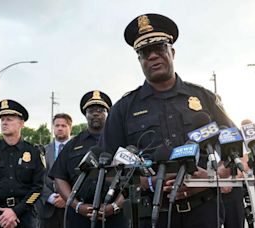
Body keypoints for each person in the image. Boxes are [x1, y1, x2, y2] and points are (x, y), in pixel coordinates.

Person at [99, 13, 235, 228]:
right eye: (145, 52)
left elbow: (235, 148)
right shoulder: (124, 108)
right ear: (139, 60)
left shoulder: (203, 97)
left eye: (159, 48)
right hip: (151, 214)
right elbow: (106, 168)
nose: (153, 56)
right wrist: (150, 182)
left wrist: (211, 177)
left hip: (204, 211)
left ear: (172, 52)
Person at [49, 90, 127, 228]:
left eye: (100, 110)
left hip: (115, 214)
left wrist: (115, 205)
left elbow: (133, 178)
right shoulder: (72, 144)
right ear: (85, 114)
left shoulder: (121, 141)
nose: (96, 113)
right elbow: (59, 176)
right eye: (91, 110)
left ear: (107, 113)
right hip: (79, 216)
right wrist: (77, 205)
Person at [0, 99, 45, 228]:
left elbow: (38, 188)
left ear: (21, 123)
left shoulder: (33, 152)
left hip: (25, 217)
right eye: (2, 120)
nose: (4, 123)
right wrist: (0, 214)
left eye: (9, 119)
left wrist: (15, 211)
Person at [36, 113, 72, 228]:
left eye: (63, 125)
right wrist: (51, 197)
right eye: (57, 126)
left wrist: (67, 197)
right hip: (48, 208)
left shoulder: (77, 150)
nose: (60, 128)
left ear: (70, 127)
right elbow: (38, 178)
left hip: (72, 207)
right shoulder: (42, 151)